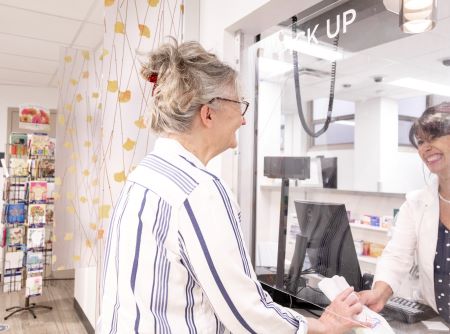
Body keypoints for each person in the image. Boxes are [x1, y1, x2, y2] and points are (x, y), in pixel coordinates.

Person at [99, 38, 365, 334]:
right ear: (208, 113)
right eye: (239, 105)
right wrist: (323, 326)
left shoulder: (144, 174)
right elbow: (245, 310)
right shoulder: (199, 190)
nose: (242, 119)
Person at [359, 102, 450, 323]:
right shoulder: (416, 203)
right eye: (420, 142)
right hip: (440, 321)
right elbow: (397, 256)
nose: (425, 148)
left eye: (433, 137)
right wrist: (379, 293)